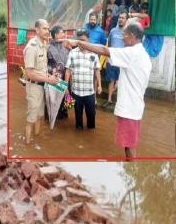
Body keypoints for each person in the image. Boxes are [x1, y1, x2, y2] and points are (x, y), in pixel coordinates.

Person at [61, 22, 152, 158]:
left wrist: (76, 42)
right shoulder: (139, 53)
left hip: (129, 109)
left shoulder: (133, 52)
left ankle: (131, 170)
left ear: (132, 36)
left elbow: (104, 51)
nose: (122, 38)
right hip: (130, 106)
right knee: (128, 145)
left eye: (124, 35)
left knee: (129, 146)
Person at [23, 19, 59, 145]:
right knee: (31, 118)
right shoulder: (32, 47)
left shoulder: (43, 45)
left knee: (39, 116)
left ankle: (36, 140)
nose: (47, 31)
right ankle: (27, 145)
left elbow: (41, 69)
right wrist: (48, 79)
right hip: (33, 87)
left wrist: (50, 75)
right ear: (37, 30)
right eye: (44, 28)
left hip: (42, 86)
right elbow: (29, 73)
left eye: (48, 28)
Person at [64, 29, 101, 130]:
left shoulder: (94, 53)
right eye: (79, 40)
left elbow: (97, 70)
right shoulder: (72, 52)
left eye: (83, 40)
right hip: (76, 91)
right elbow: (68, 70)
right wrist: (65, 87)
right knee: (78, 119)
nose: (80, 42)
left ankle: (90, 134)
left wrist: (99, 85)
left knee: (91, 118)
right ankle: (79, 131)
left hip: (90, 92)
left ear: (88, 40)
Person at [102, 12, 128, 108]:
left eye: (123, 18)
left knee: (122, 81)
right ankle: (109, 100)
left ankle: (121, 102)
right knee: (111, 80)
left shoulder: (128, 31)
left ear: (126, 20)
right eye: (120, 17)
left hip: (123, 61)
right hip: (112, 60)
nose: (121, 19)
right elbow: (110, 44)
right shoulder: (113, 30)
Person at [47, 25, 69, 119]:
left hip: (66, 78)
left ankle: (65, 115)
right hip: (54, 79)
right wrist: (52, 71)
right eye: (62, 33)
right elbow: (44, 65)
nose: (64, 34)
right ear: (56, 35)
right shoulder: (48, 48)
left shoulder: (65, 48)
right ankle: (51, 118)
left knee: (67, 98)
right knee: (52, 101)